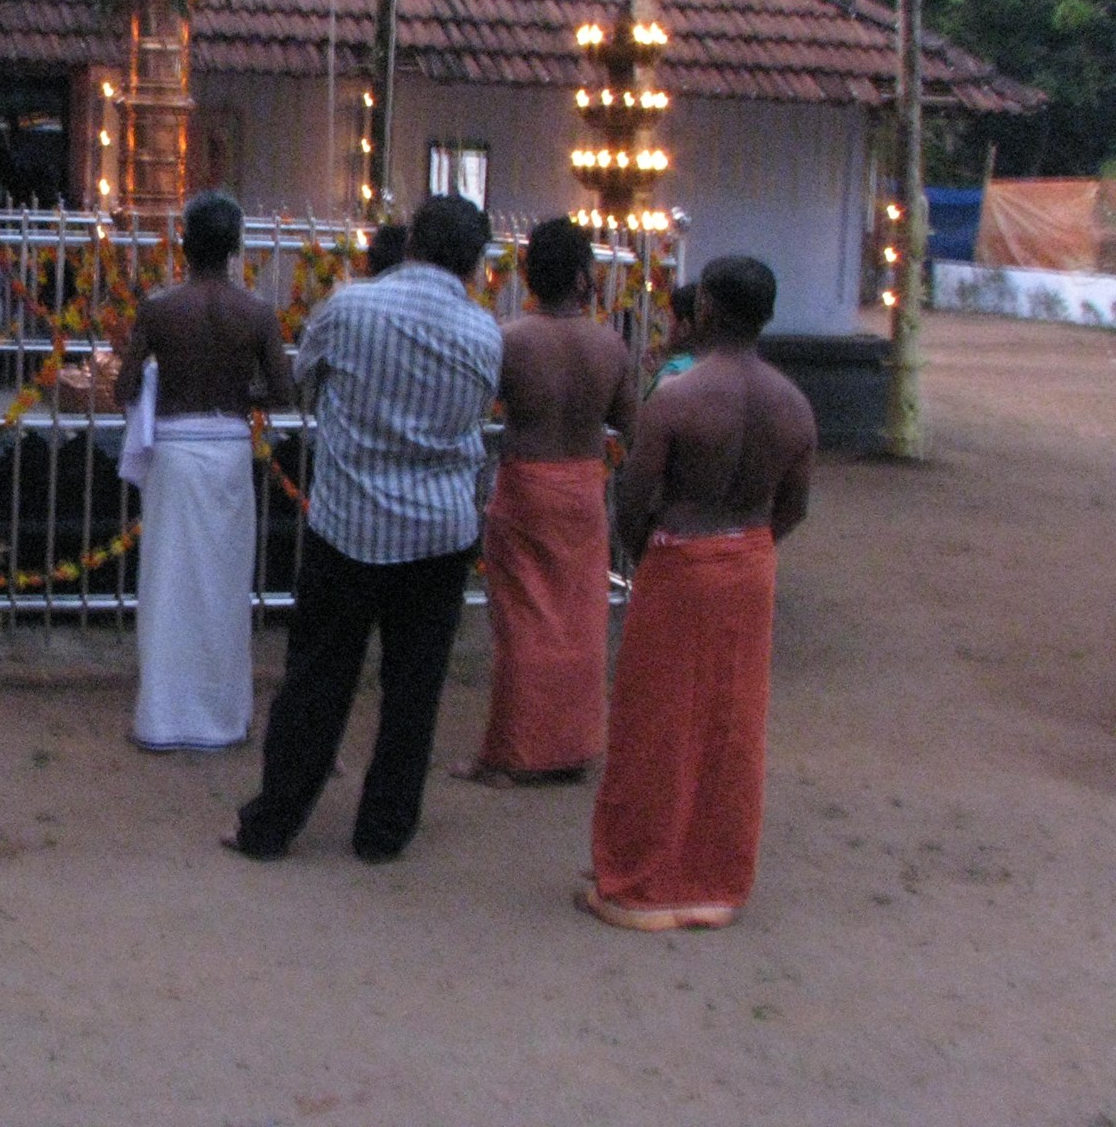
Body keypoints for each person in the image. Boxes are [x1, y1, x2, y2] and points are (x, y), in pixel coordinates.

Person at [225, 196, 502, 863]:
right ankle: (383, 832)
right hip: (439, 530)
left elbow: (302, 380)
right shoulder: (485, 332)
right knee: (414, 689)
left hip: (350, 524)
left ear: (411, 246)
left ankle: (272, 825)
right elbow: (477, 414)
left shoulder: (350, 307)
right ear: (475, 264)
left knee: (317, 681)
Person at [581, 255, 815, 932]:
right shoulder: (793, 406)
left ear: (704, 308)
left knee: (653, 721)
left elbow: (633, 498)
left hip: (680, 562)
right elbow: (793, 508)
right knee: (729, 726)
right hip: (749, 564)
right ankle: (713, 878)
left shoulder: (678, 398)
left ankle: (638, 879)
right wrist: (748, 547)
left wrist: (650, 549)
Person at [455, 216, 637, 788]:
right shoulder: (609, 345)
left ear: (529, 276)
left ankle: (511, 753)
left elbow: (473, 412)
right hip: (582, 486)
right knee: (581, 618)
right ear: (585, 278)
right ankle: (573, 747)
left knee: (521, 620)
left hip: (525, 483)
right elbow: (631, 423)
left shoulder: (509, 340)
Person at [117, 192, 295, 750]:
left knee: (168, 583)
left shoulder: (160, 308)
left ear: (185, 244)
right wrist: (241, 391)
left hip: (174, 450)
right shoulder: (257, 313)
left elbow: (123, 387)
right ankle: (222, 718)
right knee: (224, 585)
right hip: (229, 450)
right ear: (236, 248)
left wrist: (155, 384)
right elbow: (284, 395)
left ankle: (163, 719)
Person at [645, 280, 699, 396]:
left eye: (670, 318)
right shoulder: (721, 368)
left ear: (684, 327)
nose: (667, 326)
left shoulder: (672, 375)